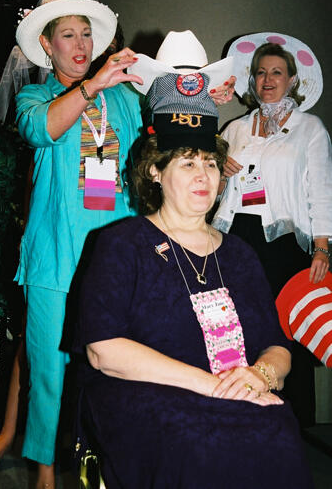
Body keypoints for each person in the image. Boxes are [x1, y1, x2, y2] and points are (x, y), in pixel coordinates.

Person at [72, 103, 314, 488]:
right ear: (155, 171)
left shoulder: (240, 254)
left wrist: (259, 375)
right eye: (187, 164)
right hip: (144, 395)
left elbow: (276, 345)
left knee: (279, 429)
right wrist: (217, 386)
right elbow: (103, 350)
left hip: (237, 392)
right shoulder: (121, 244)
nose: (204, 176)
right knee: (196, 446)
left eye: (211, 164)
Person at [0, 0, 144, 489]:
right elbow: (42, 131)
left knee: (117, 367)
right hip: (54, 256)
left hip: (116, 255)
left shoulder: (124, 96)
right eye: (67, 35)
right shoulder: (36, 97)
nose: (80, 43)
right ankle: (46, 473)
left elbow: (153, 149)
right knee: (48, 370)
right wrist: (92, 86)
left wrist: (196, 97)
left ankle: (112, 464)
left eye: (86, 33)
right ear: (46, 47)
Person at [212, 32, 332, 427]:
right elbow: (210, 191)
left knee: (287, 331)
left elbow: (321, 188)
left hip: (284, 244)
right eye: (261, 72)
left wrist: (322, 247)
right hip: (236, 238)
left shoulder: (309, 128)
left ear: (292, 80)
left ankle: (294, 426)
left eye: (277, 72)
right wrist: (220, 168)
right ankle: (246, 419)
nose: (268, 79)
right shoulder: (234, 130)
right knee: (242, 327)